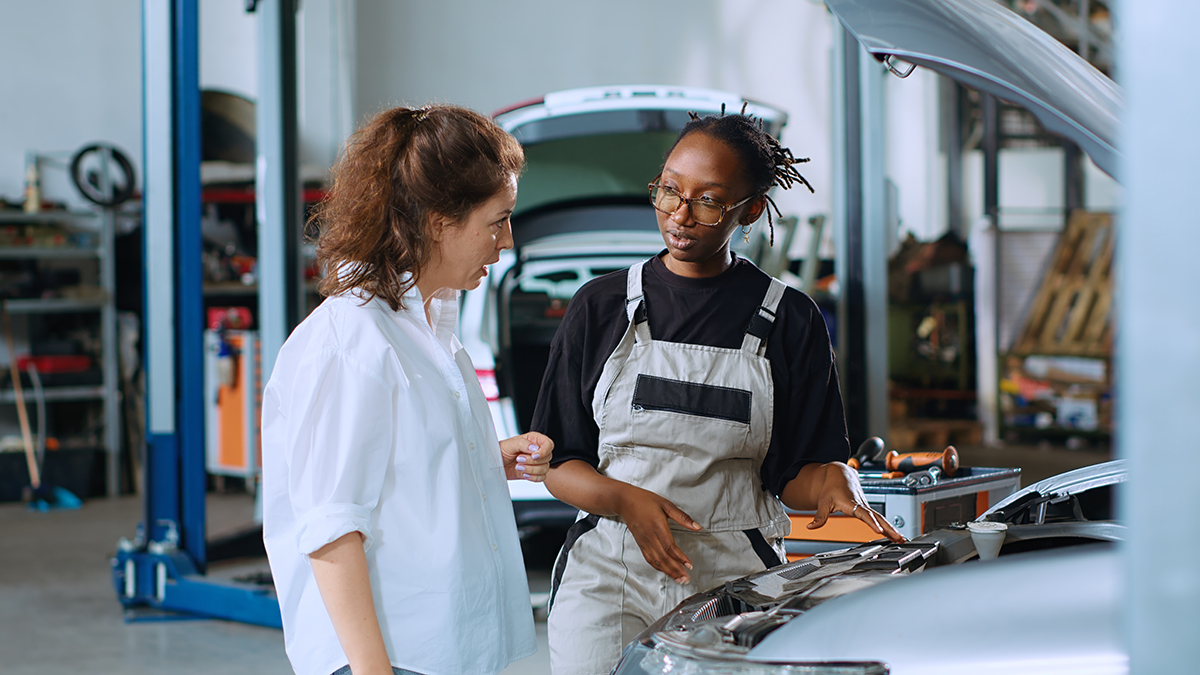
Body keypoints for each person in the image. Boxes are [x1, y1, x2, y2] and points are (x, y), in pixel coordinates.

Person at [531, 108, 905, 675]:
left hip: (736, 579)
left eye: (708, 201)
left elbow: (796, 474)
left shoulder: (790, 320)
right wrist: (624, 500)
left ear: (749, 210)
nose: (681, 215)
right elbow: (559, 460)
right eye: (669, 191)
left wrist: (834, 479)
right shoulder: (601, 307)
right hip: (610, 576)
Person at [261, 104, 554, 675]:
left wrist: (485, 460)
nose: (508, 242)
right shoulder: (351, 342)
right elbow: (331, 528)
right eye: (497, 221)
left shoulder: (427, 328)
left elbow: (388, 469)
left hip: (444, 651)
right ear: (439, 221)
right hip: (390, 659)